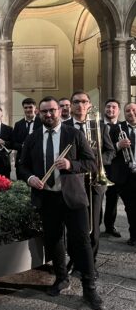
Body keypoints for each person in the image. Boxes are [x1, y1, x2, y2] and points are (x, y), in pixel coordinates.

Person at [19, 96, 103, 310]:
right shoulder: (33, 138)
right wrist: (30, 178)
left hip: (73, 198)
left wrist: (70, 164)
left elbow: (92, 163)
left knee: (82, 242)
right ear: (39, 113)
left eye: (52, 110)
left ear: (59, 111)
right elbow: (22, 167)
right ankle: (61, 278)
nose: (48, 114)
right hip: (47, 198)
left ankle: (89, 287)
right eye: (44, 111)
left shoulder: (73, 134)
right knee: (54, 240)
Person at [63, 90, 115, 274]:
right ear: (70, 105)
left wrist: (99, 161)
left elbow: (111, 151)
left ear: (89, 105)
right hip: (73, 182)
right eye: (76, 102)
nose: (80, 105)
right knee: (74, 224)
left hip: (95, 181)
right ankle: (74, 260)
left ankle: (89, 262)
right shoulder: (64, 126)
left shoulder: (100, 126)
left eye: (84, 101)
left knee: (94, 224)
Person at [109, 102, 136, 246]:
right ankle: (134, 236)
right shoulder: (116, 129)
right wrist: (118, 145)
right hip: (125, 176)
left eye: (133, 110)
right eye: (128, 111)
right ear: (123, 113)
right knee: (130, 208)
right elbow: (107, 152)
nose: (131, 113)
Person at [101, 98, 122, 237]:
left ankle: (110, 226)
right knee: (97, 197)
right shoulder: (96, 125)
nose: (110, 109)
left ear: (118, 111)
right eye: (108, 107)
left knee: (112, 199)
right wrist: (118, 146)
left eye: (114, 107)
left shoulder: (123, 127)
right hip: (99, 166)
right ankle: (95, 226)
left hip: (115, 168)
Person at [11, 98, 41, 180]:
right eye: (26, 107)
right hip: (22, 161)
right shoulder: (18, 124)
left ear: (35, 108)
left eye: (30, 107)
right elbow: (13, 143)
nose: (28, 109)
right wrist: (23, 146)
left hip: (38, 161)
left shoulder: (41, 122)